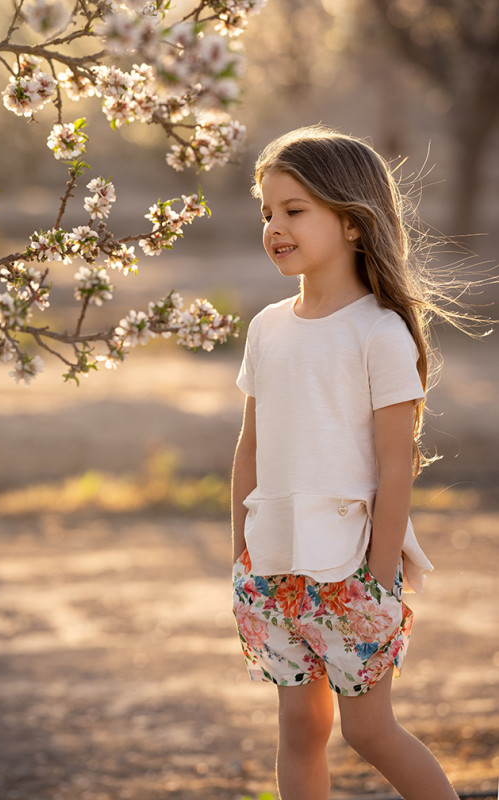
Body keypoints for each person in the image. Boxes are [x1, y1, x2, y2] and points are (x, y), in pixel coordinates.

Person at [231, 125, 462, 800]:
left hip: (352, 570)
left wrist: (379, 581)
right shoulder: (266, 328)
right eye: (266, 212)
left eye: (293, 210)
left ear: (354, 223)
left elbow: (397, 467)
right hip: (271, 566)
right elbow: (250, 446)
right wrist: (238, 557)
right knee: (298, 730)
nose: (274, 226)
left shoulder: (378, 333)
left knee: (367, 731)